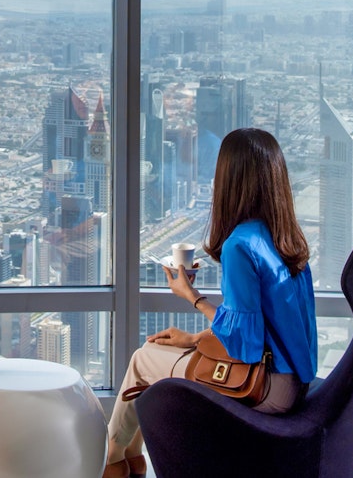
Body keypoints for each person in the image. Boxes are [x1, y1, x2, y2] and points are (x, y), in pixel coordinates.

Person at [102, 128, 317, 478]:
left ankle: (113, 456)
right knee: (158, 358)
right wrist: (192, 340)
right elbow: (265, 332)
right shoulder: (286, 239)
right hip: (294, 384)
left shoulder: (239, 245)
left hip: (266, 389)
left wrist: (193, 297)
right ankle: (132, 453)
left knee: (143, 360)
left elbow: (245, 346)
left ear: (229, 180)